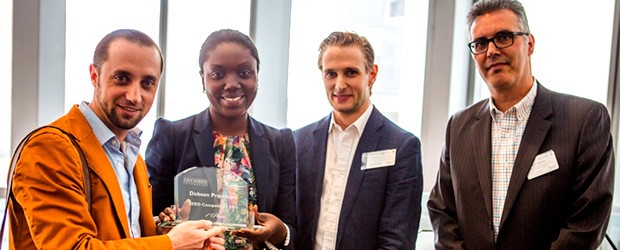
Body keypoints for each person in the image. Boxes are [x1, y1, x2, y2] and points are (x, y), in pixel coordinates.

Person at [7, 29, 227, 249]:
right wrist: (171, 243)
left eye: (147, 83)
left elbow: (127, 237)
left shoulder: (133, 156)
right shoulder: (51, 147)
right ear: (94, 76)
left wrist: (177, 234)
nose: (134, 96)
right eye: (122, 78)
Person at [427, 0, 615, 249]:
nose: (491, 50)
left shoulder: (584, 120)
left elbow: (586, 223)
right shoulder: (459, 126)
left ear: (530, 44)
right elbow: (443, 211)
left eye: (504, 36)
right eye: (480, 43)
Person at [146, 29, 295, 249]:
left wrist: (280, 231)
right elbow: (148, 219)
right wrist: (165, 225)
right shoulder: (172, 135)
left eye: (244, 73)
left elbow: (291, 226)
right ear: (203, 79)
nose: (232, 83)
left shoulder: (280, 142)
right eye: (218, 74)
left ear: (257, 75)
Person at [294, 31, 423, 250]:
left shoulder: (401, 147)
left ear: (371, 75)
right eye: (331, 74)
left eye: (351, 73)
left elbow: (397, 242)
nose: (340, 84)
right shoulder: (299, 142)